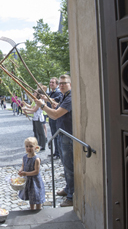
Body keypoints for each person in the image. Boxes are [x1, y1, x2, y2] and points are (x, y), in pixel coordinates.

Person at [35, 75, 73, 207]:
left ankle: (72, 196)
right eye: (60, 83)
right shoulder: (64, 96)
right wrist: (51, 102)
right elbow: (58, 107)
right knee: (65, 165)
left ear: (70, 84)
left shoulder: (70, 97)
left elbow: (55, 115)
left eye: (64, 83)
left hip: (68, 136)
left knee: (69, 167)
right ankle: (68, 189)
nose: (61, 85)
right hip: (62, 134)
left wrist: (43, 105)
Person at [18, 137, 46, 210]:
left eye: (31, 146)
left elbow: (36, 171)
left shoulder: (36, 159)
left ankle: (38, 209)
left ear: (36, 147)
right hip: (28, 180)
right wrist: (20, 170)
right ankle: (31, 209)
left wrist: (26, 173)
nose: (28, 148)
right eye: (27, 146)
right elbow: (23, 166)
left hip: (35, 181)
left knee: (36, 195)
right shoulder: (24, 157)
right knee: (30, 195)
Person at [46, 77, 63, 159]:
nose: (51, 83)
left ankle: (58, 153)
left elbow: (55, 101)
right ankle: (55, 152)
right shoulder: (50, 93)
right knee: (53, 135)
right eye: (50, 82)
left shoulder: (58, 93)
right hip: (51, 116)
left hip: (56, 116)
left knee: (57, 135)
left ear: (57, 84)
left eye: (53, 82)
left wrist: (46, 99)